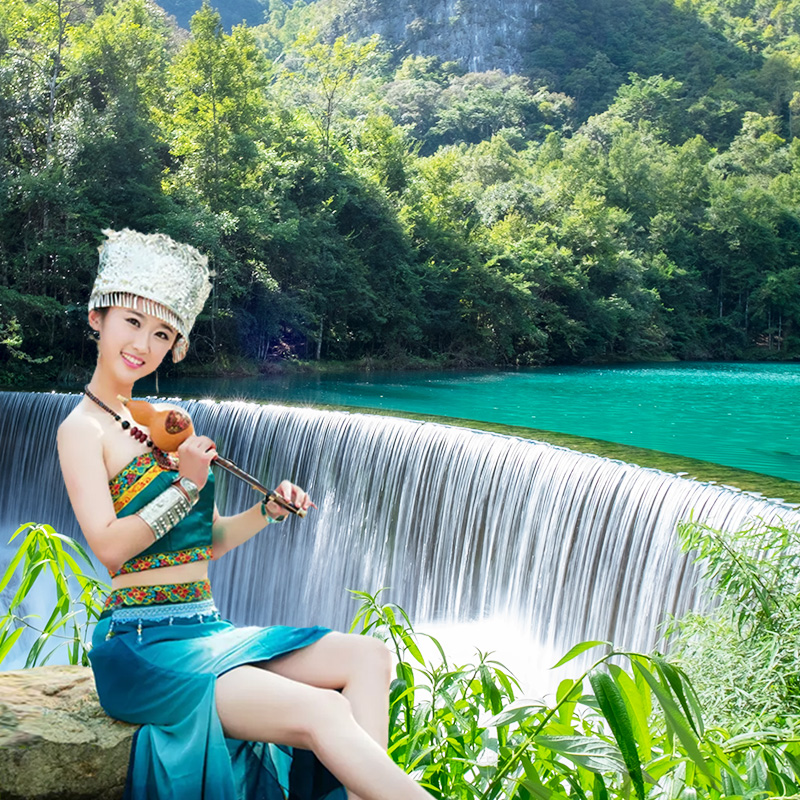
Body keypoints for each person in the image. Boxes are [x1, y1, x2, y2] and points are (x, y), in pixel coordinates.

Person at [57, 228, 432, 800]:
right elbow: (109, 548)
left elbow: (202, 544)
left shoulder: (166, 420)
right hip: (141, 644)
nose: (144, 343)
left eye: (162, 333)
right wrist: (185, 485)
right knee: (323, 713)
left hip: (205, 626)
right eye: (131, 322)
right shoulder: (80, 430)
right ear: (97, 318)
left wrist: (266, 510)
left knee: (368, 657)